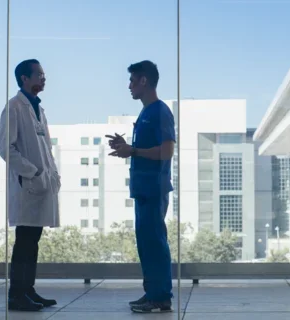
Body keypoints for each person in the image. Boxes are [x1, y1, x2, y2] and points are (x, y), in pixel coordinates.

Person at [107, 60, 175, 313]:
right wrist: (126, 146)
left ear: (144, 81)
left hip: (154, 189)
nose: (129, 86)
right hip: (143, 190)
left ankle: (160, 297)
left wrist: (132, 150)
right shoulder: (145, 113)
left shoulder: (160, 111)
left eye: (132, 80)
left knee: (155, 243)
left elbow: (167, 150)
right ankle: (152, 294)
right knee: (146, 244)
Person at [0, 59, 61, 312]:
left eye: (44, 74)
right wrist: (32, 172)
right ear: (24, 78)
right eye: (39, 74)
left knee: (32, 240)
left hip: (41, 185)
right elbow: (5, 147)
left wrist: (52, 175)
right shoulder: (14, 107)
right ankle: (16, 294)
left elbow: (46, 148)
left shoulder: (38, 109)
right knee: (24, 241)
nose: (44, 78)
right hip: (28, 186)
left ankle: (28, 290)